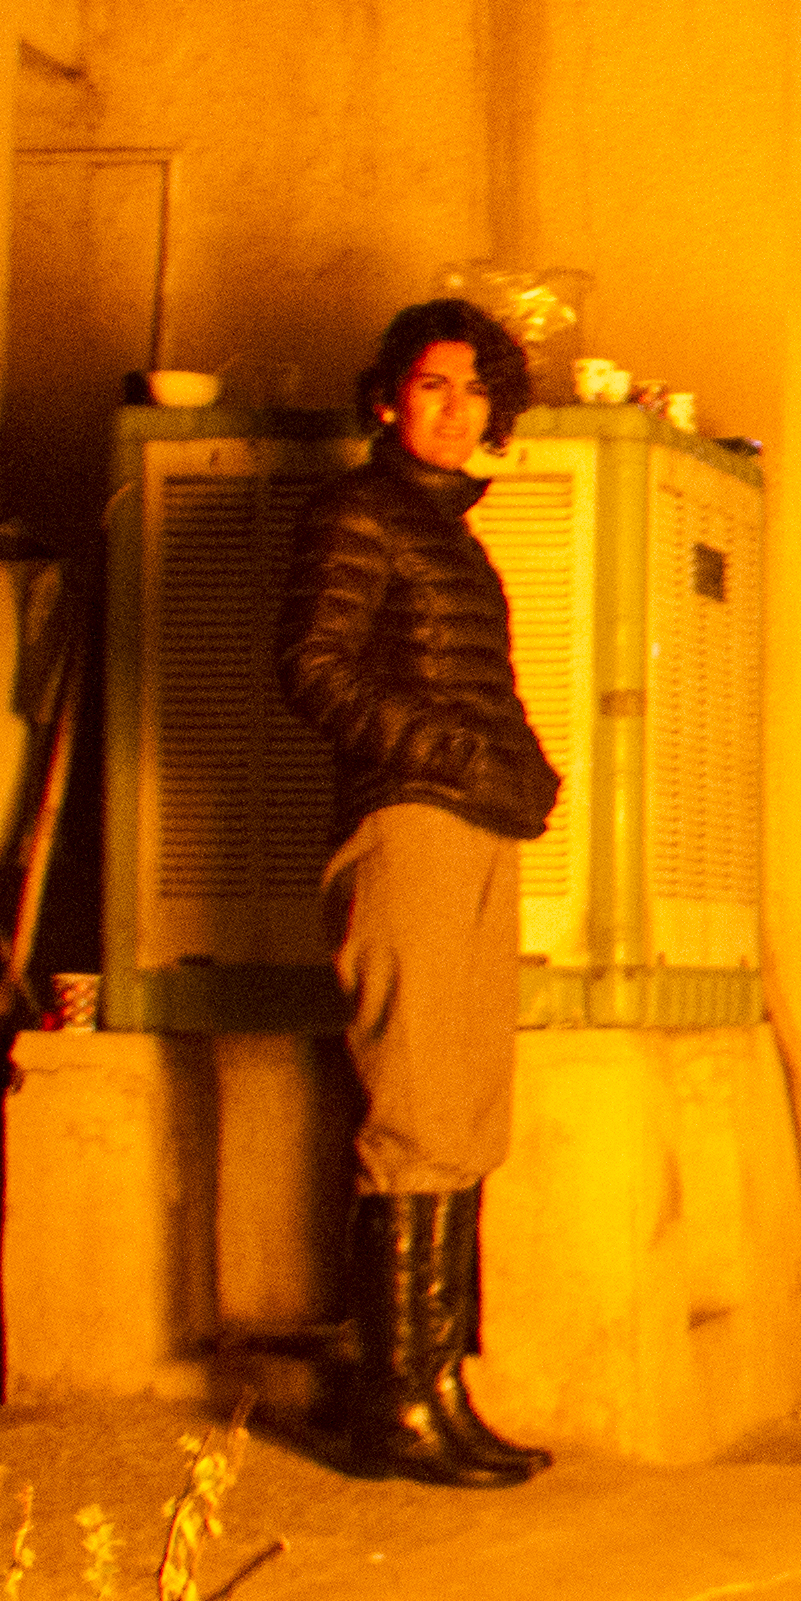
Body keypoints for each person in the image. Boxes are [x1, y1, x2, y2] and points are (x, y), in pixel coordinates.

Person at [275, 297, 567, 1489]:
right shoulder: (356, 510)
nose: (456, 411)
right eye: (434, 386)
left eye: (476, 390)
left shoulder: (451, 534)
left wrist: (523, 768)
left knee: (462, 1111)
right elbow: (312, 667)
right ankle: (392, 1407)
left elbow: (468, 688)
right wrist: (453, 758)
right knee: (412, 1112)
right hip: (407, 829)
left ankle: (438, 1385)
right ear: (390, 395)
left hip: (473, 828)